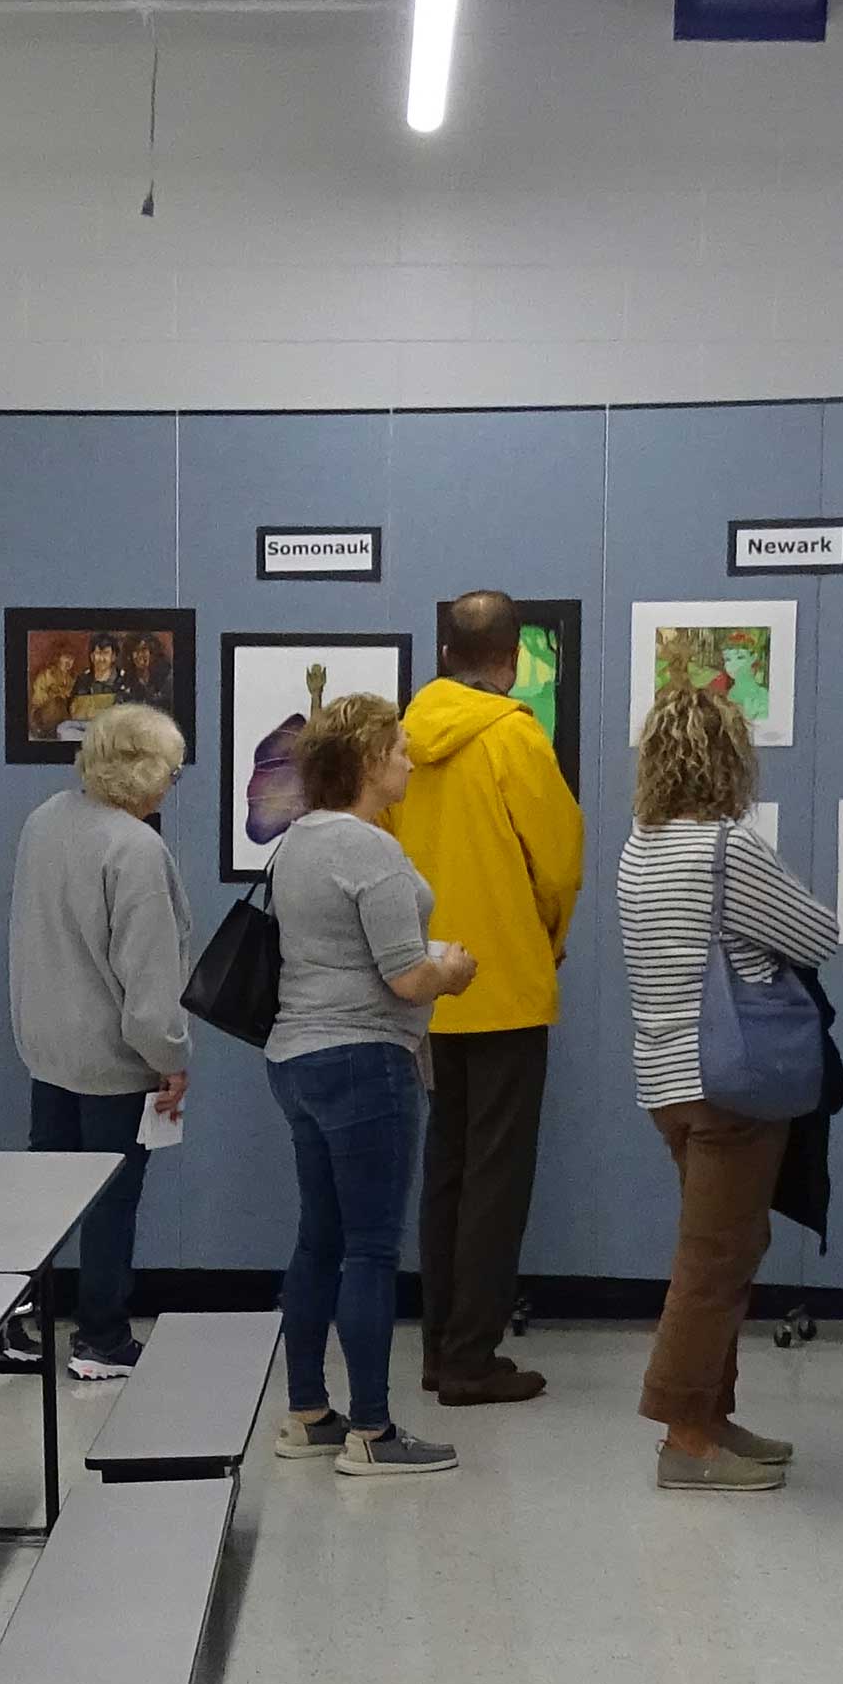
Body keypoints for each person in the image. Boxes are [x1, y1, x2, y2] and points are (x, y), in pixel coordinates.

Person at [614, 675, 834, 1493]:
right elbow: (820, 934)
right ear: (728, 759)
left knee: (727, 1247)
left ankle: (711, 1417)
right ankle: (684, 1437)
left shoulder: (639, 846)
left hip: (668, 1082)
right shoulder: (726, 849)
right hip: (731, 1085)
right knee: (714, 1260)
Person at [261, 693, 476, 1484]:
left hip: (297, 1058)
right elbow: (407, 977)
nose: (410, 763)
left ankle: (308, 1414)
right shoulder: (371, 850)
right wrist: (453, 971)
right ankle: (373, 1431)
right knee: (372, 1250)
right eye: (399, 751)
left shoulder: (296, 842)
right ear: (366, 761)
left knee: (319, 1239)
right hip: (364, 1061)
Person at [394, 590, 587, 1405]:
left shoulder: (403, 739)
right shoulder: (515, 737)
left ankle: (439, 1347)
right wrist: (546, 938)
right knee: (497, 1178)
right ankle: (473, 1358)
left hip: (427, 988)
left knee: (446, 1167)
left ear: (445, 656)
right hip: (504, 985)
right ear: (512, 661)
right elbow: (560, 864)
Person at [11, 702, 194, 1381]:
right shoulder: (136, 848)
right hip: (116, 1062)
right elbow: (149, 980)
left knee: (47, 1199)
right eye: (171, 770)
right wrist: (171, 1058)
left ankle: (16, 1324)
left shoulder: (43, 821)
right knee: (111, 1203)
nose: (172, 783)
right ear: (142, 770)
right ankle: (101, 1338)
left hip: (45, 1049)